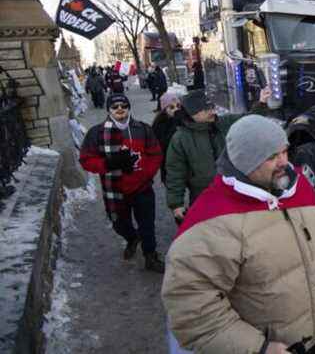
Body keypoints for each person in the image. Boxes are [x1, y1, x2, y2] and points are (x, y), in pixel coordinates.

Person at [162, 115, 315, 354]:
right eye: (272, 157)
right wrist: (259, 348)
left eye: (284, 151)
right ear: (246, 163)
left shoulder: (298, 186)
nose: (285, 162)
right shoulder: (210, 223)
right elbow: (193, 311)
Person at [79, 93, 165, 273]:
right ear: (109, 109)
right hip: (115, 190)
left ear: (128, 108)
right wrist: (108, 164)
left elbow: (155, 153)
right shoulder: (97, 133)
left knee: (147, 224)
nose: (120, 109)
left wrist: (146, 174)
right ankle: (132, 238)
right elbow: (86, 160)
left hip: (142, 187)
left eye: (123, 106)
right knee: (119, 223)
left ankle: (150, 256)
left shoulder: (143, 129)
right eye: (115, 106)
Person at [164, 88, 272, 223]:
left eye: (211, 107)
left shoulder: (223, 123)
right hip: (203, 196)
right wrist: (176, 204)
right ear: (192, 114)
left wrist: (261, 103)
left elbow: (247, 121)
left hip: (233, 190)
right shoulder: (180, 139)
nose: (212, 112)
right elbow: (175, 173)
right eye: (206, 110)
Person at [152, 92, 182, 185]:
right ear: (164, 109)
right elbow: (164, 144)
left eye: (178, 106)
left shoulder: (182, 119)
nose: (176, 109)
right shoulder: (160, 124)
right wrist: (174, 123)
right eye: (171, 107)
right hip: (168, 164)